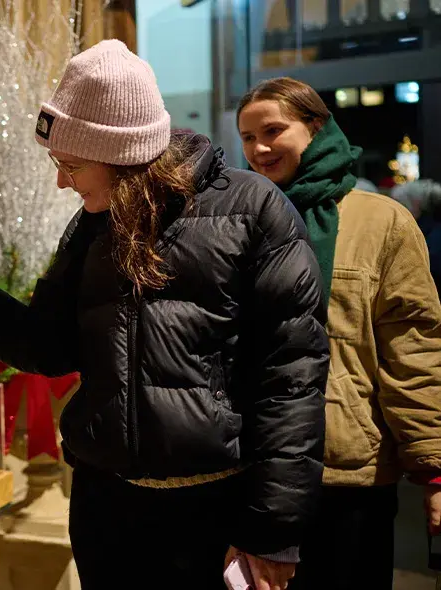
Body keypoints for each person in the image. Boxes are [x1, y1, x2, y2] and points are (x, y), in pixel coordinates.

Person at [0, 40, 328, 589]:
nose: (62, 181)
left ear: (123, 155)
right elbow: (45, 346)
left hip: (215, 510)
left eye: (72, 165)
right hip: (107, 510)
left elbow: (292, 379)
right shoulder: (91, 225)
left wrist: (273, 529)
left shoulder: (253, 210)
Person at [237, 77, 441, 589]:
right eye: (246, 136)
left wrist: (433, 469)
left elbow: (412, 350)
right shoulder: (238, 221)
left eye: (273, 130)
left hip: (348, 472)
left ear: (315, 126)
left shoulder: (381, 223)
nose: (259, 148)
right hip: (253, 468)